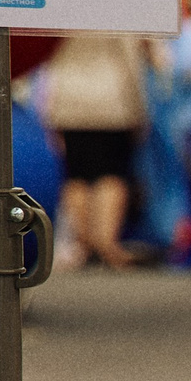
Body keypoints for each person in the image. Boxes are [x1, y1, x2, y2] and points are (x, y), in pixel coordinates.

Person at [44, 32, 149, 271]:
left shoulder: (64, 12)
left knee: (77, 173)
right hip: (111, 100)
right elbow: (131, 62)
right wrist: (139, 109)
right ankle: (107, 244)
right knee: (111, 172)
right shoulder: (115, 16)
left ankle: (84, 244)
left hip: (69, 99)